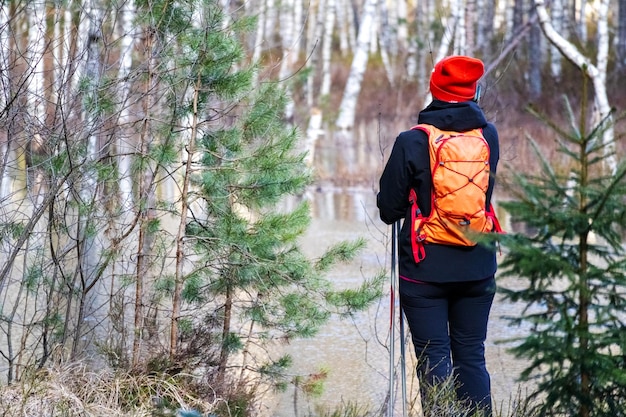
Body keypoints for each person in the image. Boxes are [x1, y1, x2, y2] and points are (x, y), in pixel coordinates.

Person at [377, 55, 499, 416]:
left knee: (434, 358)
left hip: (425, 270)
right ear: (473, 91)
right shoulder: (488, 136)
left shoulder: (412, 141)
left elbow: (389, 210)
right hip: (478, 266)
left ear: (434, 90)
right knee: (472, 356)